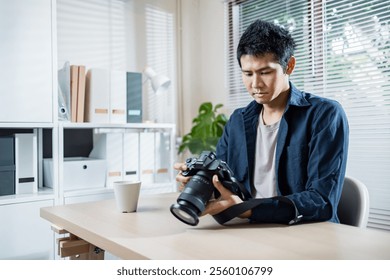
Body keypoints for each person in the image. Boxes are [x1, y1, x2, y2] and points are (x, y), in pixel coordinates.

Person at [174, 19, 349, 225]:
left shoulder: (324, 115)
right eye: (247, 73)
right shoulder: (238, 121)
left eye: (265, 72)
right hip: (250, 229)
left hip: (306, 232)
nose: (255, 84)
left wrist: (247, 210)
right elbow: (222, 183)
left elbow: (321, 201)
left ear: (289, 66)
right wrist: (199, 183)